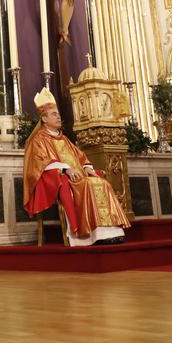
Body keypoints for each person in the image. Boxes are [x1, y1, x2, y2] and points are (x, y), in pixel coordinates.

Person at [23, 89, 130, 245]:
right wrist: (65, 169)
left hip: (78, 176)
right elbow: (38, 163)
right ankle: (91, 235)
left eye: (58, 114)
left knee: (103, 183)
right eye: (54, 114)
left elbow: (80, 156)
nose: (58, 116)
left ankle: (112, 231)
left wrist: (86, 167)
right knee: (87, 184)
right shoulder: (38, 140)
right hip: (61, 178)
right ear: (44, 118)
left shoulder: (63, 138)